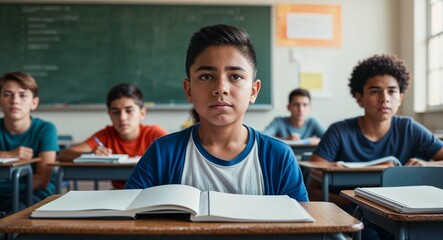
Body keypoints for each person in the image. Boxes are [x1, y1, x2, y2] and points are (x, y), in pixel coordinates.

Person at [124, 24, 308, 202]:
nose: (221, 89)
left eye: (235, 77)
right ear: (188, 90)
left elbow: (302, 231)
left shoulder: (277, 156)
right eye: (206, 77)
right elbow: (127, 218)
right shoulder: (163, 153)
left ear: (253, 90)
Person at [309, 54, 443, 240]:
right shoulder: (339, 131)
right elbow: (314, 184)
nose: (384, 99)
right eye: (374, 91)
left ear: (401, 97)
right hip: (352, 213)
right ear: (360, 98)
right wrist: (356, 202)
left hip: (399, 213)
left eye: (392, 91)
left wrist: (427, 165)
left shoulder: (409, 128)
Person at [58, 83, 168, 189]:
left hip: (151, 193)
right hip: (118, 193)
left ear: (142, 113)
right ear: (109, 114)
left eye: (129, 111)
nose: (122, 118)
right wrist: (91, 155)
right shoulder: (106, 135)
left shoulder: (155, 134)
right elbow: (63, 154)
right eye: (116, 112)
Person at [0, 71, 59, 213]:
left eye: (22, 95)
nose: (14, 101)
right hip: (4, 194)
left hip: (35, 195)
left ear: (34, 103)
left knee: (17, 210)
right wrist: (8, 154)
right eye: (7, 94)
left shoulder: (46, 129)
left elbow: (41, 181)